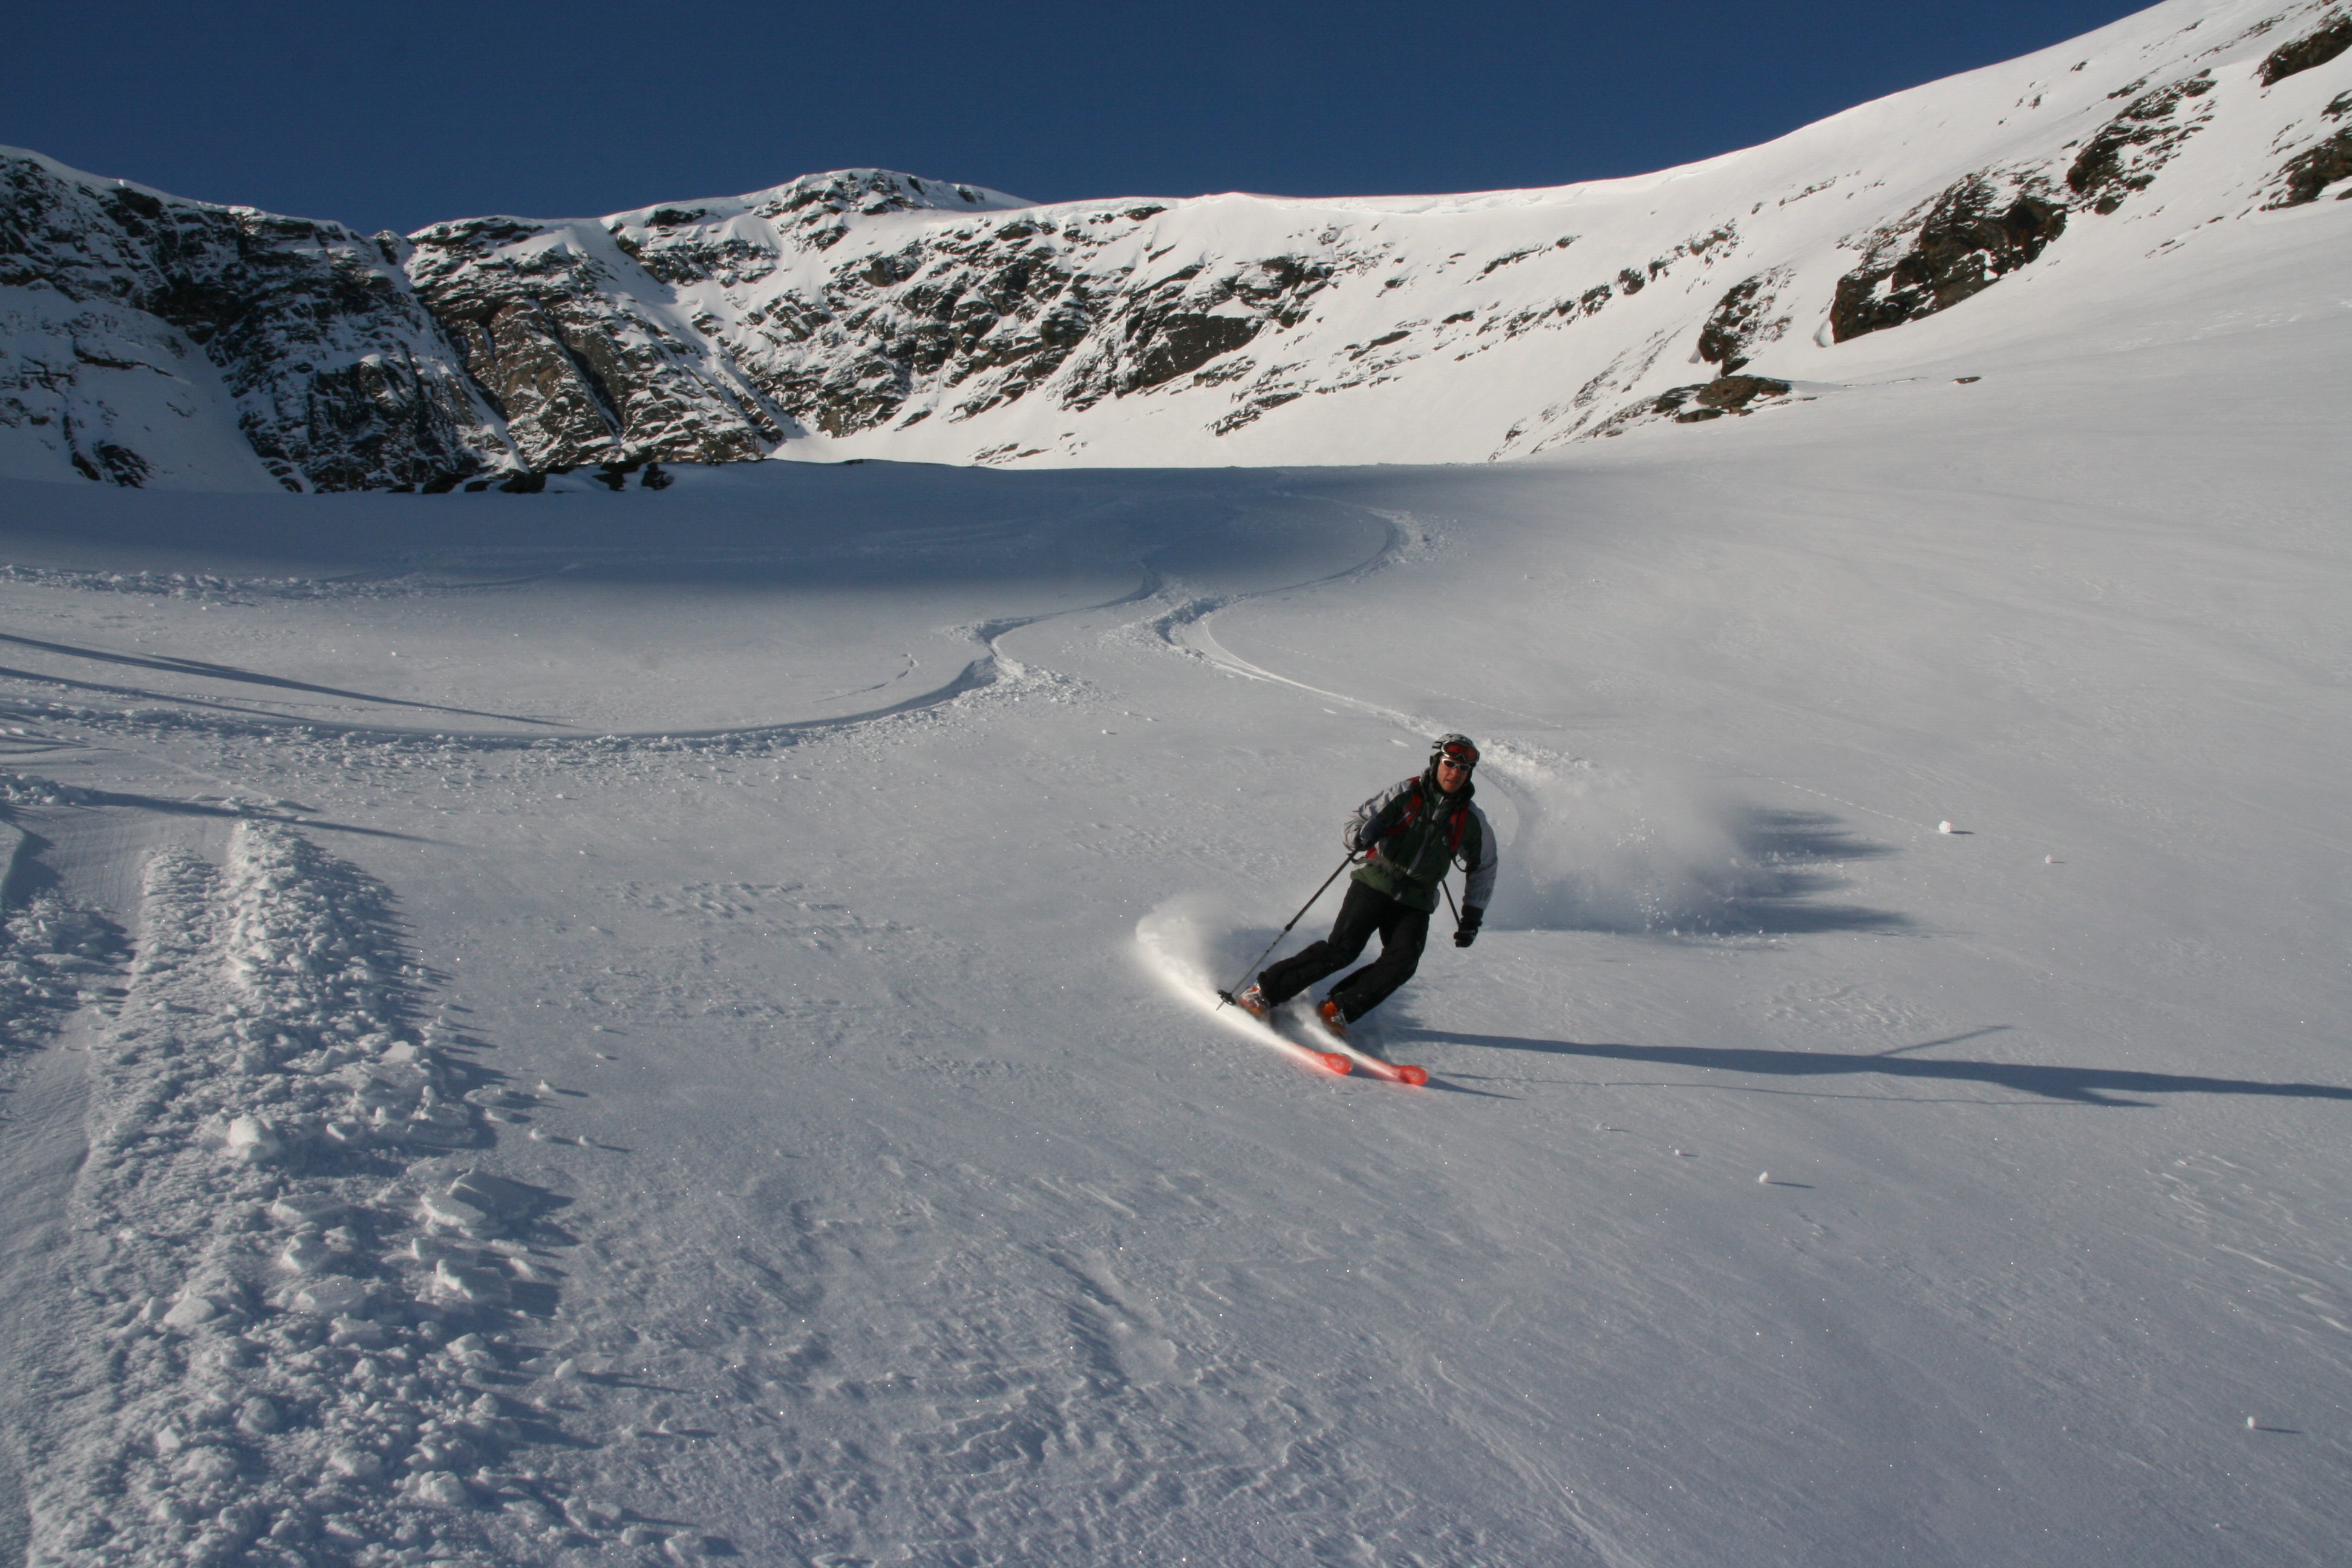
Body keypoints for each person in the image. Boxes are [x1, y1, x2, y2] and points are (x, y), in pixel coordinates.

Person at [1237, 734, 1498, 1039]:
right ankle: (1262, 991)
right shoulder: (1405, 794)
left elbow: (1485, 866)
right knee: (1343, 949)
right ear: (1436, 763)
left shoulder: (1471, 820)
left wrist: (1472, 916)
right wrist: (1362, 834)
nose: (1455, 773)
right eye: (1450, 764)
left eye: (1463, 769)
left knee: (1403, 962)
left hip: (1417, 898)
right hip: (1376, 881)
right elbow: (1355, 822)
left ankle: (1337, 1009)